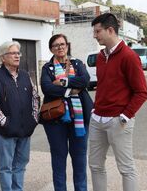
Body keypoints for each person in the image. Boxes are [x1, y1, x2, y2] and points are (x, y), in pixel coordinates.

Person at [89, 13, 147, 191]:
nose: (95, 35)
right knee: (95, 166)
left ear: (110, 30)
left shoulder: (129, 56)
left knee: (126, 168)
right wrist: (95, 111)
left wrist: (124, 116)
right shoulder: (100, 57)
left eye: (98, 31)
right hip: (97, 119)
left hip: (118, 121)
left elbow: (141, 92)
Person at [0, 41, 39, 191]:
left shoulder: (26, 75)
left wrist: (34, 118)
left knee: (20, 165)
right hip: (6, 132)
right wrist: (4, 121)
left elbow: (35, 97)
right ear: (3, 57)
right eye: (12, 53)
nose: (17, 56)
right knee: (6, 167)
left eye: (18, 53)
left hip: (25, 130)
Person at [40, 34, 93, 191]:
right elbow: (47, 88)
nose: (60, 47)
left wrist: (63, 82)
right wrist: (72, 90)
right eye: (56, 45)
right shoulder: (47, 68)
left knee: (79, 160)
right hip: (55, 121)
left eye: (62, 44)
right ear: (51, 49)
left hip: (80, 119)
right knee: (58, 158)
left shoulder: (77, 64)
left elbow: (85, 80)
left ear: (67, 46)